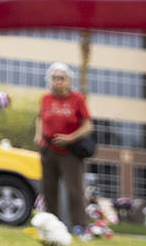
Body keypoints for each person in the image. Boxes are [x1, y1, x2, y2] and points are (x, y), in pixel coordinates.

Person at [36, 62, 93, 232]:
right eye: (54, 78)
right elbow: (39, 117)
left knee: (74, 192)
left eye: (61, 78)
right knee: (49, 191)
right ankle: (52, 227)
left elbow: (88, 125)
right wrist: (38, 134)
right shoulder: (45, 98)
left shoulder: (77, 99)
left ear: (68, 81)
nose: (57, 82)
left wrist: (69, 138)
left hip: (70, 152)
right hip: (49, 150)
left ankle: (79, 227)